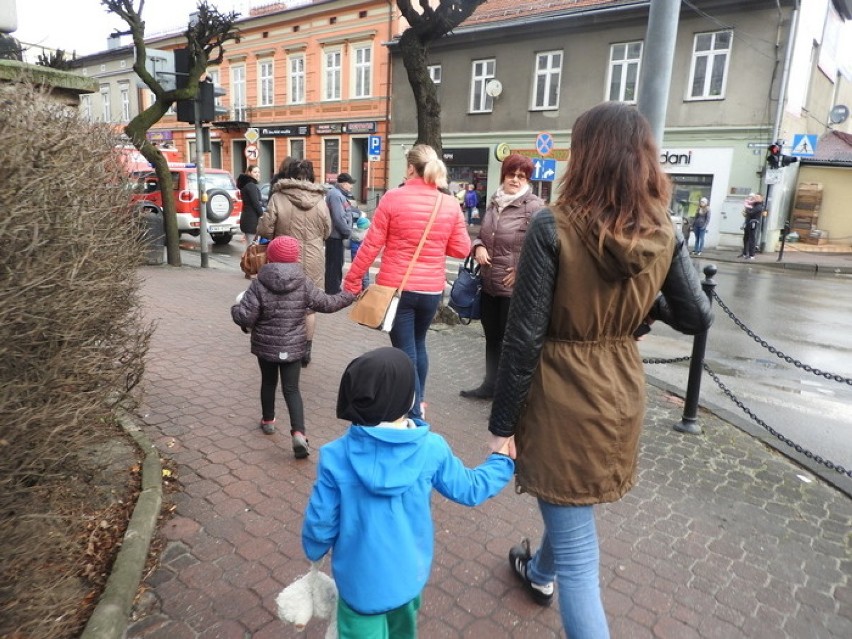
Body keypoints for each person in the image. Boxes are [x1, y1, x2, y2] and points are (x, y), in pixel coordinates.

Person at [487, 102, 713, 638]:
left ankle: (552, 577)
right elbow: (696, 314)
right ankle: (538, 573)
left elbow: (523, 338)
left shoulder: (553, 227)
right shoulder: (665, 230)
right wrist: (638, 308)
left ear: (586, 157)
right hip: (619, 393)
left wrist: (501, 427)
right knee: (572, 504)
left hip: (558, 395)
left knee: (581, 562)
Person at [301, 347, 515, 638]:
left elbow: (321, 520)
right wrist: (502, 462)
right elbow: (470, 488)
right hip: (408, 577)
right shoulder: (432, 448)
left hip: (359, 585)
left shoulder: (335, 456)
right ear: (410, 398)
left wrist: (314, 550)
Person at [342, 144, 471, 419]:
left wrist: (353, 280)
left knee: (404, 351)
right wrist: (434, 244)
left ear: (410, 168)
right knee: (419, 345)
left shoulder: (393, 198)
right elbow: (461, 249)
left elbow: (371, 245)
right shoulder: (448, 202)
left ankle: (412, 410)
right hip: (432, 290)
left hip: (397, 289)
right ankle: (419, 401)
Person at [231, 236, 354, 458]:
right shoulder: (304, 282)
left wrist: (235, 309)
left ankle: (268, 421)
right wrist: (349, 296)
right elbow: (327, 303)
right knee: (292, 389)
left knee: (268, 382)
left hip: (266, 346)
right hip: (294, 346)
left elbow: (245, 317)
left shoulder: (258, 284)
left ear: (270, 256)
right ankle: (298, 432)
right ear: (295, 257)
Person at [460, 154, 543, 400]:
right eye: (511, 174)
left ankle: (509, 396)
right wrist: (478, 247)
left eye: (522, 176)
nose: (515, 180)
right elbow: (483, 235)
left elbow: (542, 246)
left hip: (514, 289)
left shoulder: (534, 207)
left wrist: (521, 269)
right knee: (492, 337)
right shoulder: (495, 202)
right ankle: (490, 386)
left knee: (512, 344)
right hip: (489, 284)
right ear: (504, 175)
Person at [257, 159, 331, 367]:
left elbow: (265, 230)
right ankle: (306, 348)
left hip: (285, 259)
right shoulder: (320, 200)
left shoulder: (278, 197)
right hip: (314, 259)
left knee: (283, 303)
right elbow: (328, 230)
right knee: (309, 306)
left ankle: (285, 347)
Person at [325, 173, 355, 294]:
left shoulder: (337, 194)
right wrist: (347, 231)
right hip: (335, 236)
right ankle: (333, 290)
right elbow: (338, 217)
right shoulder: (336, 195)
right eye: (350, 183)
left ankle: (334, 288)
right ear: (343, 183)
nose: (351, 186)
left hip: (336, 235)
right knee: (334, 265)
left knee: (336, 263)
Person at [237, 165, 263, 247]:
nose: (257, 174)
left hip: (248, 219)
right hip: (251, 221)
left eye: (258, 172)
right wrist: (263, 215)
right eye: (255, 172)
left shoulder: (248, 185)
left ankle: (246, 259)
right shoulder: (251, 186)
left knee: (249, 246)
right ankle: (247, 260)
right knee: (251, 248)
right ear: (249, 173)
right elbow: (256, 203)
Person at [349, 215, 371, 291]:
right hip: (364, 259)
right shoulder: (367, 235)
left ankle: (356, 291)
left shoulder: (353, 233)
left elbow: (347, 245)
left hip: (354, 258)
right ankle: (365, 292)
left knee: (356, 276)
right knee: (365, 276)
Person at [741, 193, 764, 259]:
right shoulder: (753, 204)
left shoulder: (759, 206)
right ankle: (745, 253)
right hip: (748, 223)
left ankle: (751, 255)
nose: (755, 198)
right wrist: (745, 212)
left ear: (761, 199)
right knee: (746, 238)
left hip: (753, 224)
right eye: (755, 197)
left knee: (751, 239)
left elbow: (751, 212)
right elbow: (748, 213)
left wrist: (747, 209)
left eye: (757, 197)